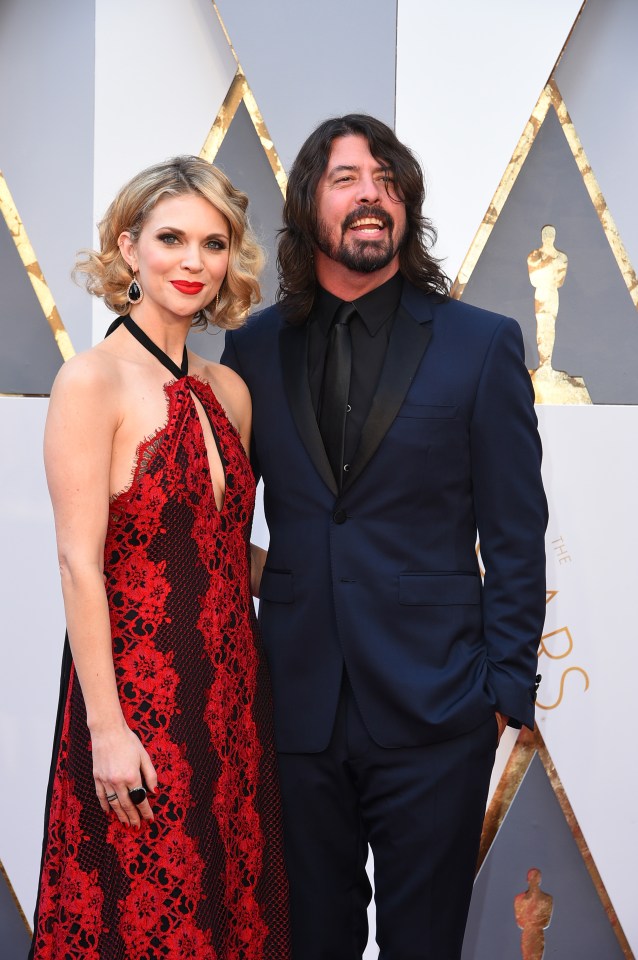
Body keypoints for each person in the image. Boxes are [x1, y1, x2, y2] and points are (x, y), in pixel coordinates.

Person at [222, 115, 548, 959]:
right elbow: (218, 518)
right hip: (294, 706)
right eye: (347, 179)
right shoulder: (252, 349)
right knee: (308, 939)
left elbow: (516, 528)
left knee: (425, 944)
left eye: (387, 180)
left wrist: (506, 685)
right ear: (308, 206)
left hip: (440, 709)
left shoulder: (481, 345)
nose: (372, 194)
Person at [29, 157, 290, 960]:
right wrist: (106, 730)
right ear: (127, 245)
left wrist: (355, 582)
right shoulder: (90, 381)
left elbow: (218, 551)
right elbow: (80, 563)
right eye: (171, 237)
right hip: (139, 708)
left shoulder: (227, 390)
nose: (193, 261)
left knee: (232, 922)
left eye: (213, 244)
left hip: (235, 706)